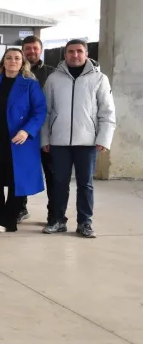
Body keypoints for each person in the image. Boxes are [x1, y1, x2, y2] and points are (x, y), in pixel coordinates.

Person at [40, 39, 117, 238]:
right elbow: (46, 113)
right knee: (59, 183)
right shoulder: (53, 79)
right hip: (59, 142)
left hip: (88, 142)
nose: (75, 55)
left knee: (85, 184)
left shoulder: (99, 79)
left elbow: (107, 112)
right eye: (71, 51)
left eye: (79, 51)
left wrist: (104, 139)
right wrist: (45, 139)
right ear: (65, 55)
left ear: (86, 53)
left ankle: (85, 223)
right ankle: (57, 220)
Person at [0, 48, 47, 233]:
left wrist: (27, 131)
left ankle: (9, 221)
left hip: (19, 139)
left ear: (23, 62)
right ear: (3, 61)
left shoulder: (30, 84)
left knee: (18, 179)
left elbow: (40, 111)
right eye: (9, 58)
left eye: (17, 58)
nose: (13, 61)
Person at [21, 35, 56, 225]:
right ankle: (20, 207)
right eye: (28, 48)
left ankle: (53, 212)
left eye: (35, 48)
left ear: (40, 49)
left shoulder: (52, 73)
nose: (31, 52)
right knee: (22, 172)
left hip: (46, 133)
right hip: (22, 133)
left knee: (51, 174)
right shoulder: (17, 72)